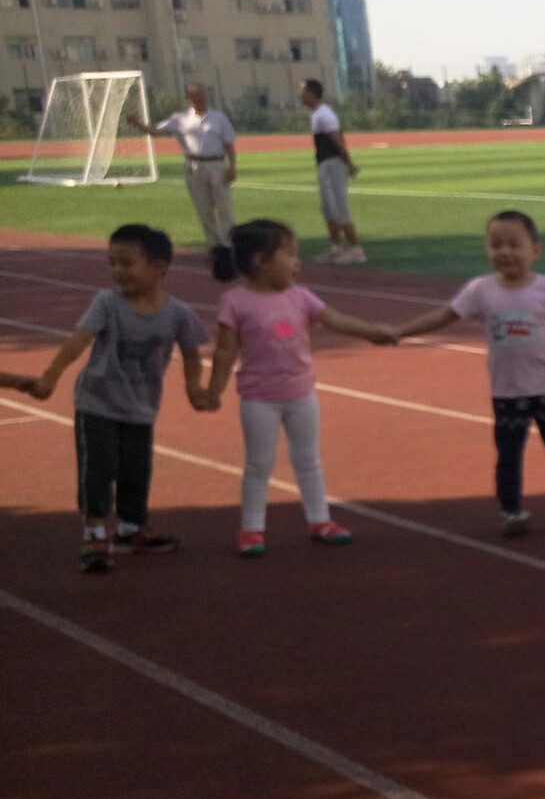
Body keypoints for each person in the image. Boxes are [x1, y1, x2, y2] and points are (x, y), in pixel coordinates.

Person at [381, 209, 545, 536]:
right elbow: (444, 316)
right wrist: (400, 331)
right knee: (508, 455)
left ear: (535, 250)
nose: (504, 252)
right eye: (496, 245)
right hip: (507, 391)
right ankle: (511, 510)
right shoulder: (480, 290)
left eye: (514, 245)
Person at [1, 223, 215, 571]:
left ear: (159, 268)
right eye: (112, 263)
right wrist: (51, 377)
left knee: (136, 470)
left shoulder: (178, 313)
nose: (117, 271)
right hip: (97, 402)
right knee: (99, 468)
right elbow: (78, 341)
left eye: (126, 263)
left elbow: (191, 352)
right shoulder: (107, 303)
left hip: (141, 406)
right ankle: (95, 533)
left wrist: (194, 387)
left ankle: (131, 530)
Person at [207, 219, 393, 555]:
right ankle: (252, 529)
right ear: (261, 261)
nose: (298, 262)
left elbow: (336, 320)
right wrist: (214, 391)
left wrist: (372, 332)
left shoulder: (301, 297)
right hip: (259, 399)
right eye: (290, 254)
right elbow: (225, 351)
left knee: (308, 459)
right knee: (259, 464)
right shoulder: (235, 302)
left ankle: (320, 520)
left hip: (302, 395)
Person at [149, 81, 239, 278]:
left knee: (224, 207)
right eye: (196, 98)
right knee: (204, 209)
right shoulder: (180, 119)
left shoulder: (218, 117)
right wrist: (138, 124)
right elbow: (156, 131)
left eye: (203, 97)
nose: (201, 101)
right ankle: (215, 247)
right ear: (189, 99)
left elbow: (229, 144)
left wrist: (232, 167)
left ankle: (229, 246)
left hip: (216, 164)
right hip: (194, 166)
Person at [298, 78, 365, 265]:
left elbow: (338, 141)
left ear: (312, 93)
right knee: (328, 208)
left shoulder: (324, 114)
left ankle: (356, 251)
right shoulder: (317, 114)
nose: (300, 95)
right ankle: (336, 248)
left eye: (302, 91)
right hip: (325, 164)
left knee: (339, 207)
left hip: (333, 164)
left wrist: (349, 164)